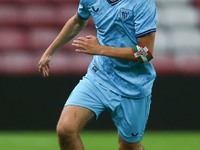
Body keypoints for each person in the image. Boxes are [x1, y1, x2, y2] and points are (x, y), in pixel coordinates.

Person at [38, 0, 157, 149]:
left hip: (133, 85)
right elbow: (77, 21)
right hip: (99, 76)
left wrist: (101, 49)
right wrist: (50, 52)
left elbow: (145, 53)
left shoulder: (142, 3)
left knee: (129, 147)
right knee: (66, 129)